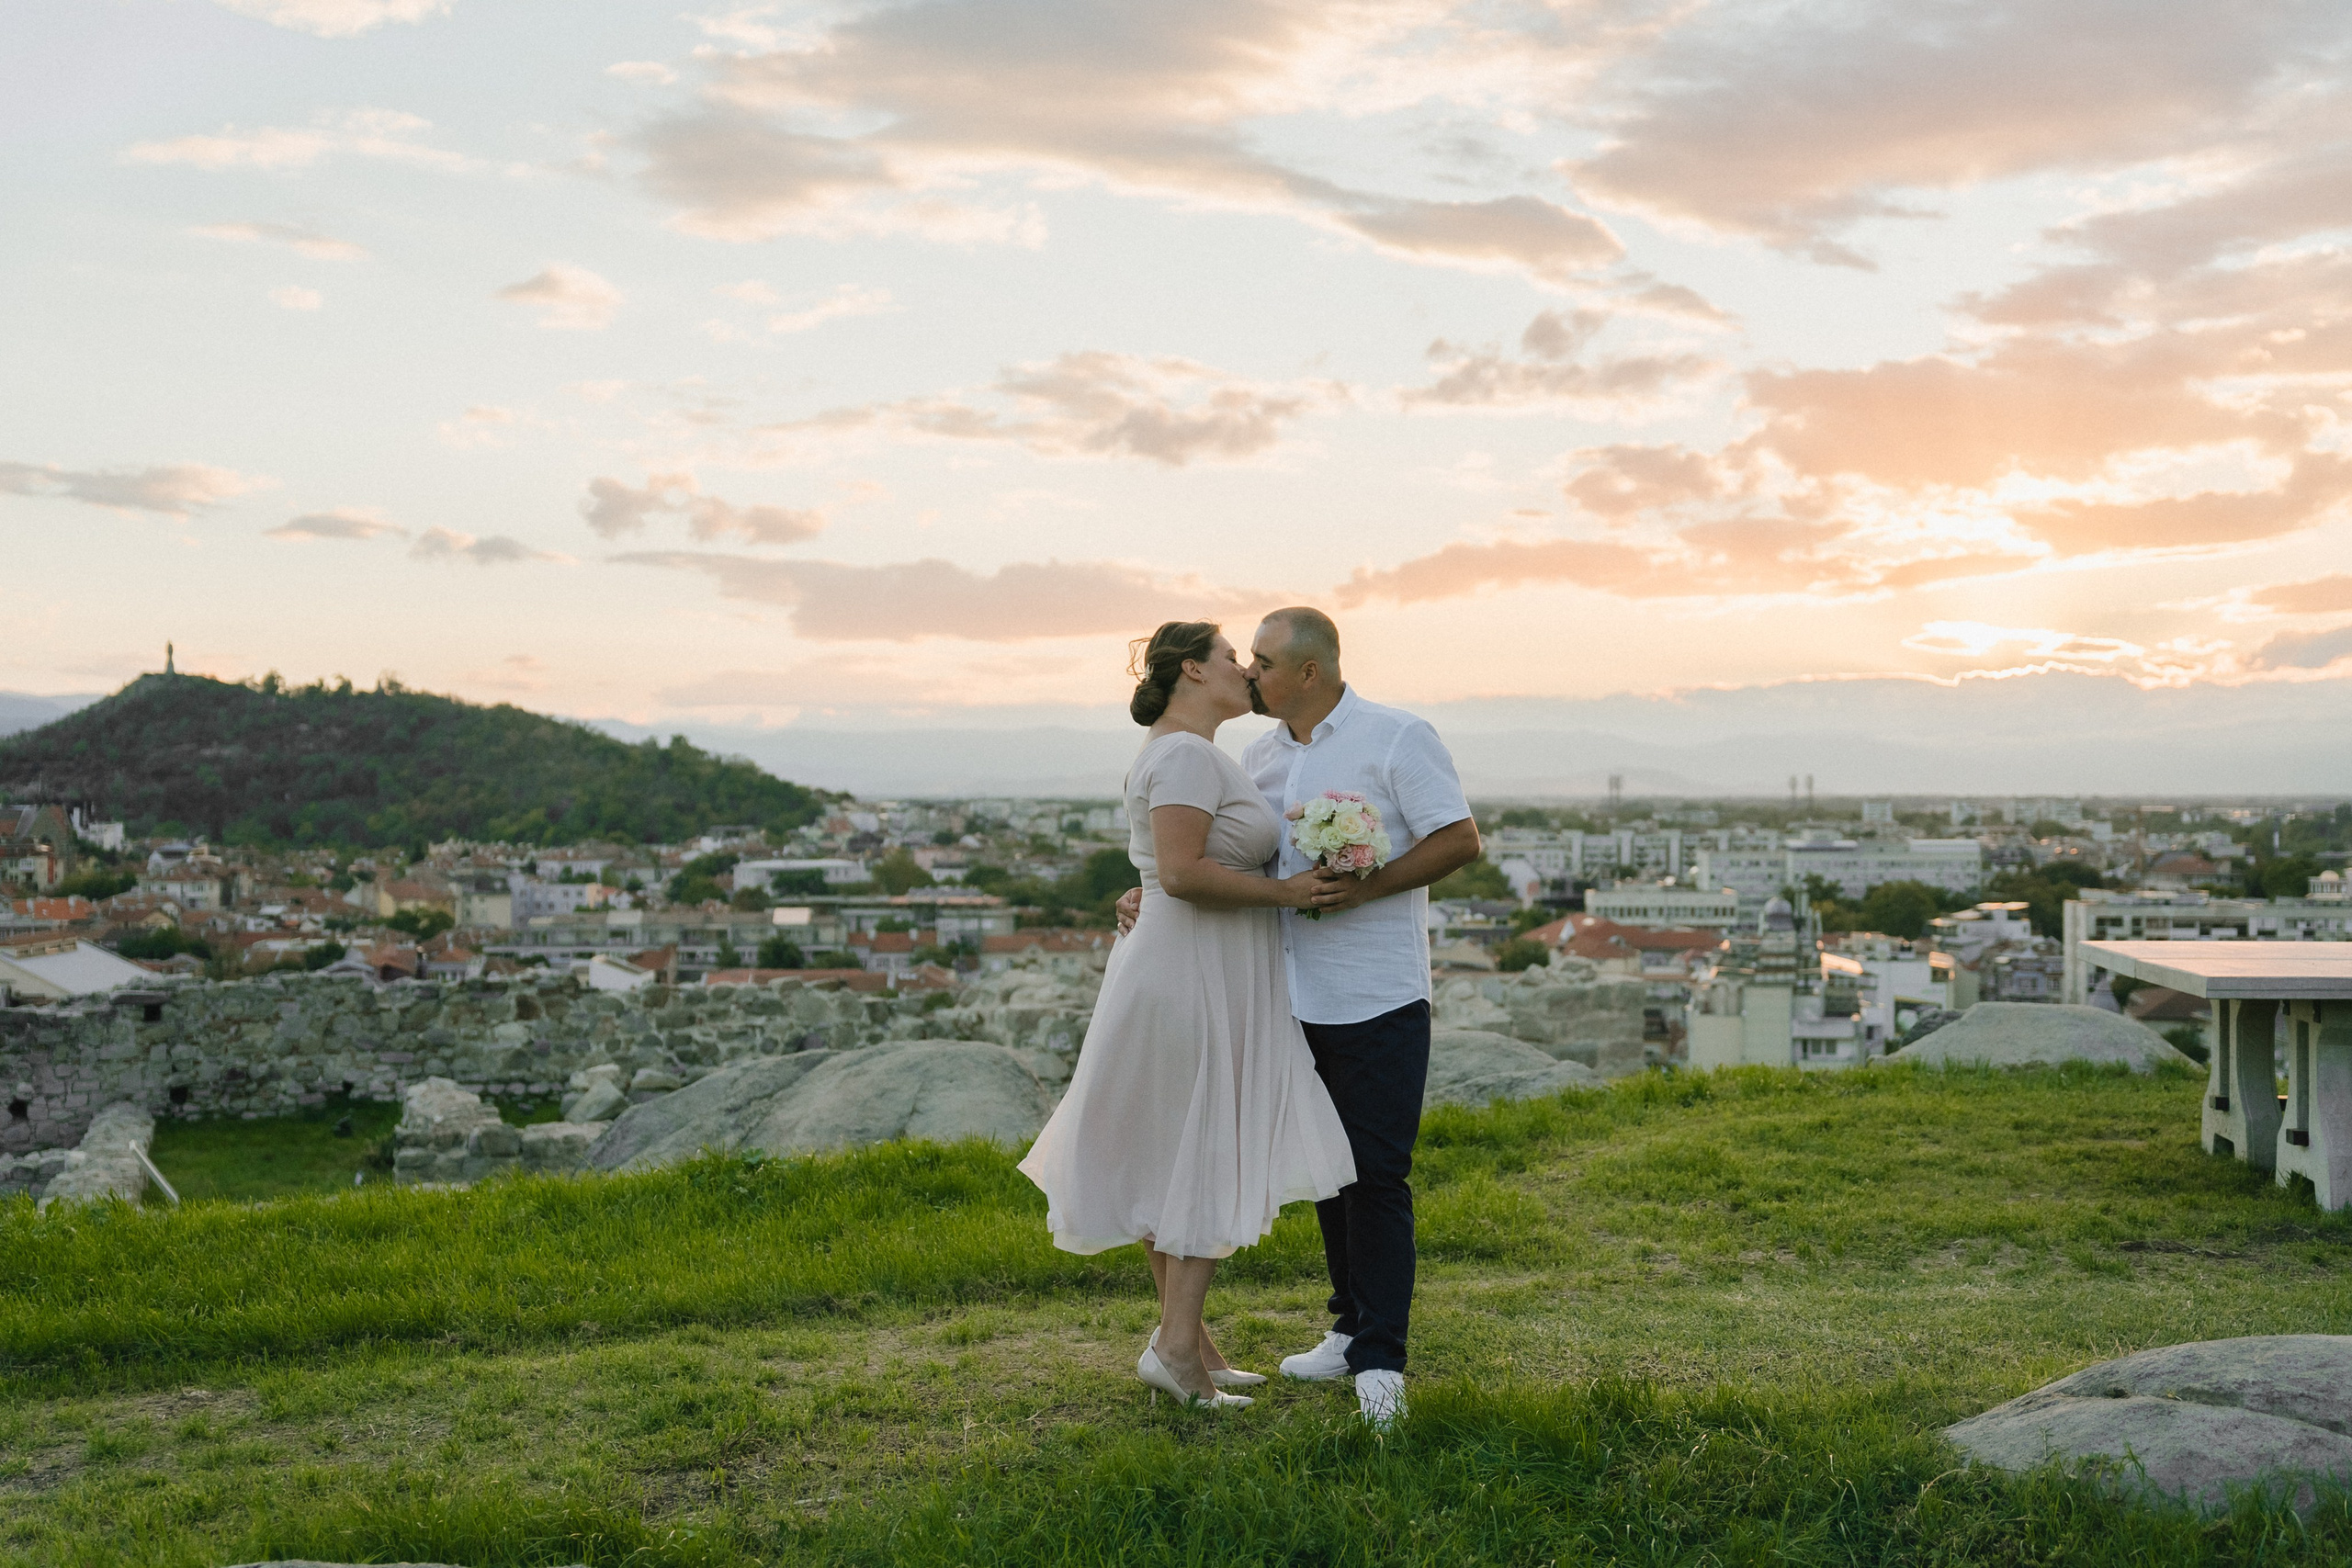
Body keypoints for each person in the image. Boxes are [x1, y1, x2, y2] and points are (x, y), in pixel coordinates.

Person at [1115, 607, 1477, 1427]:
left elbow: (1460, 839)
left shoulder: (1396, 736)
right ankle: (1349, 1327)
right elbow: (1224, 856)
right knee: (1329, 1173)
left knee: (1378, 1176)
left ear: (1308, 672)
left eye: (1264, 661)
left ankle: (1383, 1358)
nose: (1250, 671)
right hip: (1285, 992)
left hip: (1378, 991)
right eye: (1243, 658)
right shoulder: (1259, 754)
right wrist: (1154, 883)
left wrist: (1369, 884)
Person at [1018, 620, 1358, 1411]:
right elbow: (1181, 869)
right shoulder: (1182, 754)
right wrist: (1288, 893)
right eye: (1232, 657)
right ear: (1191, 671)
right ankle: (1175, 1348)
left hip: (1197, 960)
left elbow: (1165, 869)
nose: (1245, 669)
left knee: (1173, 1146)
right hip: (1191, 970)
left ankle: (1191, 1347)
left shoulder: (1196, 756)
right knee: (1201, 1144)